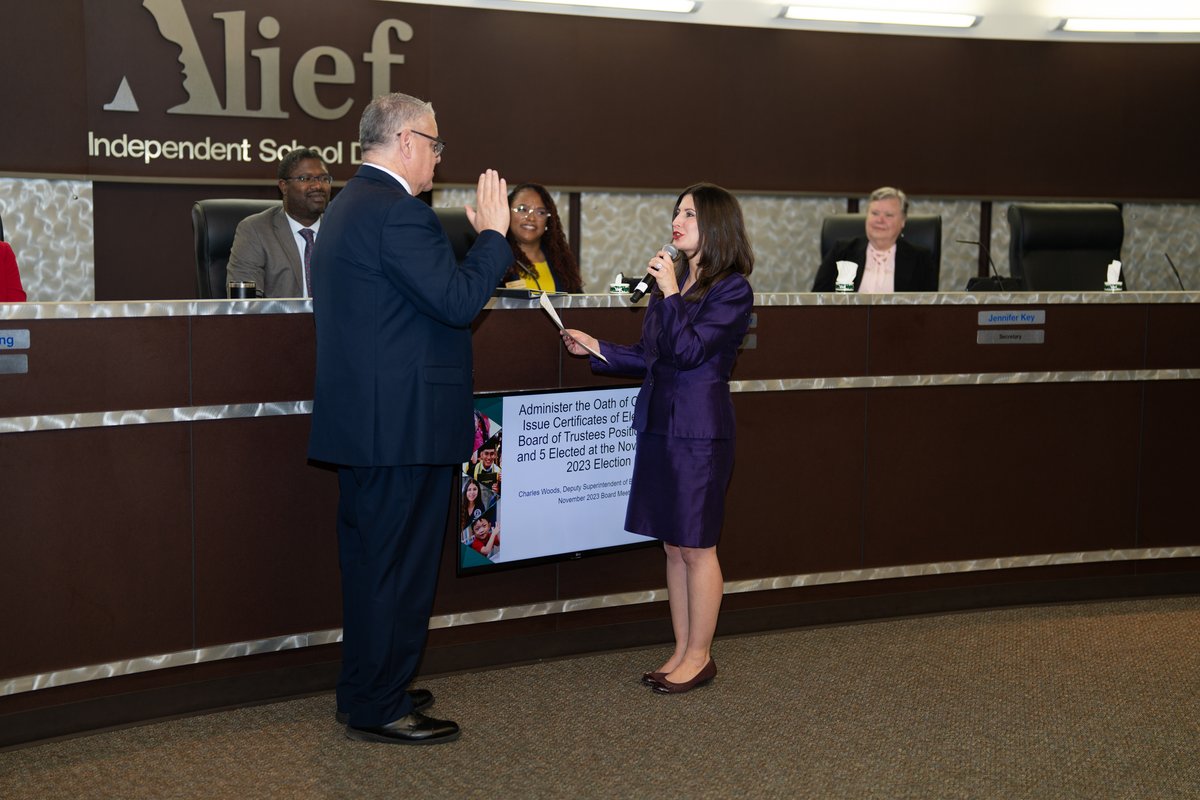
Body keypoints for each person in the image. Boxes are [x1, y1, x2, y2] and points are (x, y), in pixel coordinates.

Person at [307, 92, 513, 745]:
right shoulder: (399, 214)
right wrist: (492, 237)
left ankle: (371, 686)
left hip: (375, 426)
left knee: (375, 566)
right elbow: (456, 301)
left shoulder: (349, 207)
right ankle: (380, 703)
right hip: (401, 428)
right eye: (435, 143)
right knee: (397, 570)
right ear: (404, 142)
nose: (438, 156)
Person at [560, 183, 754, 695]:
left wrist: (668, 292)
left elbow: (690, 352)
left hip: (699, 433)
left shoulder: (732, 289)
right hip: (659, 427)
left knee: (697, 546)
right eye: (676, 211)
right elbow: (653, 355)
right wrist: (597, 348)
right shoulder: (680, 284)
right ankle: (681, 647)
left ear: (715, 224)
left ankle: (701, 656)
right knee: (672, 546)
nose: (677, 220)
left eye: (689, 213)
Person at [227, 147, 333, 298]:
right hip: (277, 321)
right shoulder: (255, 230)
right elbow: (245, 305)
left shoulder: (343, 230)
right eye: (306, 178)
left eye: (324, 179)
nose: (318, 186)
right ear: (284, 186)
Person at [810, 186, 937, 292]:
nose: (880, 220)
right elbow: (818, 300)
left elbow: (928, 310)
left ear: (903, 221)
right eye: (875, 213)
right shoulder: (842, 252)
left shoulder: (921, 259)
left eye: (888, 215)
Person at [501, 182, 583, 293]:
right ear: (507, 212)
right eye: (522, 209)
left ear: (547, 221)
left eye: (540, 212)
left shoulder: (560, 262)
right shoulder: (497, 258)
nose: (531, 218)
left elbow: (578, 306)